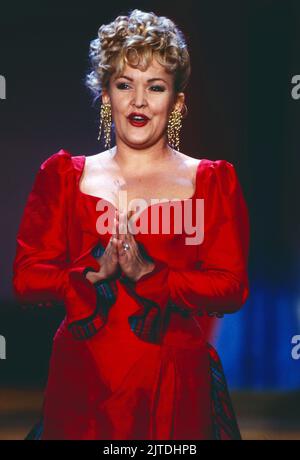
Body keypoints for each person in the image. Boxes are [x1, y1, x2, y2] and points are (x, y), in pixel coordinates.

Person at [12, 9, 250, 440]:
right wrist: (83, 277)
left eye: (155, 87)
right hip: (83, 382)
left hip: (173, 381)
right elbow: (27, 279)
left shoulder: (212, 181)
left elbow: (230, 287)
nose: (139, 101)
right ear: (106, 95)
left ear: (176, 102)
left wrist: (152, 275)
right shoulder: (63, 176)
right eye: (125, 85)